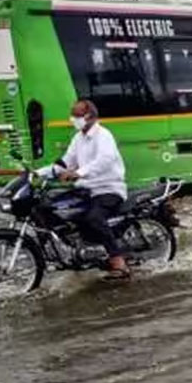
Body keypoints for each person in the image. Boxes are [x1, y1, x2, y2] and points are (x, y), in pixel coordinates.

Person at [42, 100, 129, 278]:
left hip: (108, 188)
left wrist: (79, 173)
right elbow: (66, 161)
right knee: (54, 206)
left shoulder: (103, 135)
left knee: (94, 217)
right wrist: (39, 173)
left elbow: (105, 160)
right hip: (86, 190)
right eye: (72, 115)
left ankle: (118, 261)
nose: (72, 119)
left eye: (76, 115)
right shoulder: (78, 138)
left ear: (89, 116)